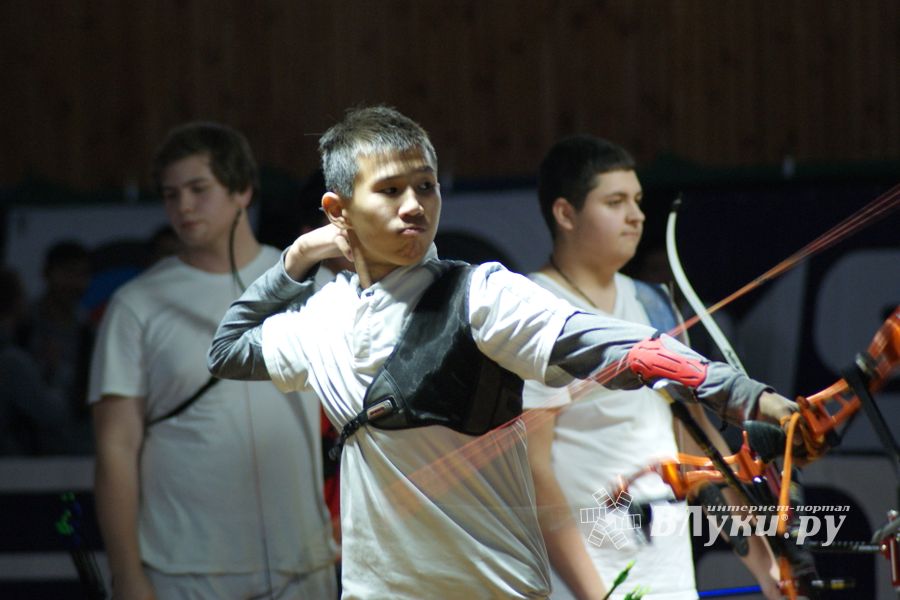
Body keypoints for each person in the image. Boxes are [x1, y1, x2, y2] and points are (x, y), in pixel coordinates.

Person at [206, 106, 798, 599]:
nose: (414, 205)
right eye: (389, 190)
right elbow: (227, 350)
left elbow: (612, 345)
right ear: (338, 212)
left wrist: (746, 395)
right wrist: (299, 257)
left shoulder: (481, 294)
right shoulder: (322, 317)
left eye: (426, 186)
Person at [523, 135, 780, 599]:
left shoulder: (653, 302)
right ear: (565, 214)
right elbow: (534, 474)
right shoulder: (533, 309)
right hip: (584, 581)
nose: (637, 216)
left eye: (638, 201)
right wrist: (594, 595)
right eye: (615, 201)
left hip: (670, 574)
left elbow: (697, 441)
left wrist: (766, 566)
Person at [89, 122, 337, 599]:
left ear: (243, 190)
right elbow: (115, 448)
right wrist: (126, 574)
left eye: (198, 189)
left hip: (303, 563)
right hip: (183, 569)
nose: (182, 207)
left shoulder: (311, 282)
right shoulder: (135, 304)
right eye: (170, 194)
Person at [18, 240, 94, 454]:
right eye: (67, 273)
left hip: (74, 449)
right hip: (20, 451)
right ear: (46, 273)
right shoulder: (21, 325)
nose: (75, 283)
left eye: (82, 274)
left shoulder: (89, 333)